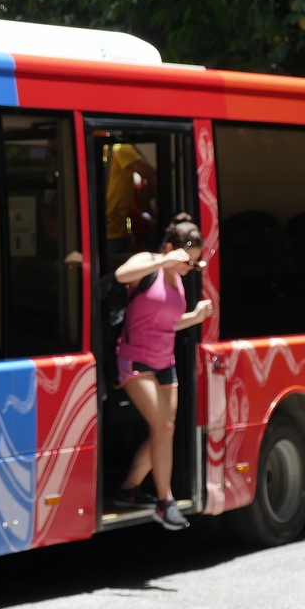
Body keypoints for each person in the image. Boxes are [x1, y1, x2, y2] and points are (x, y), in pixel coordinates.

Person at [111, 213, 212, 530]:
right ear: (171, 248)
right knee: (163, 427)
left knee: (165, 428)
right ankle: (164, 501)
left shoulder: (178, 282)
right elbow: (121, 275)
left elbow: (166, 323)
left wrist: (193, 318)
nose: (189, 267)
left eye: (194, 263)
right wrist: (164, 261)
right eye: (187, 260)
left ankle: (129, 489)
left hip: (164, 360)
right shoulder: (150, 263)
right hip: (135, 360)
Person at [104, 143, 157, 255]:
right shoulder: (103, 147)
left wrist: (142, 203)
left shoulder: (121, 149)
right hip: (101, 227)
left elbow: (152, 176)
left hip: (115, 231)